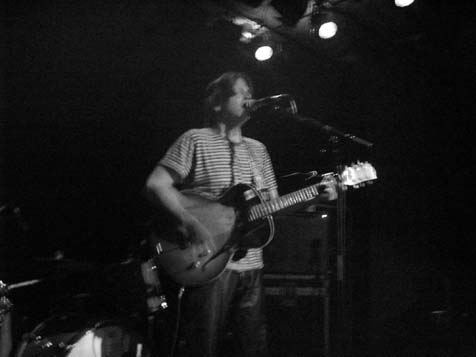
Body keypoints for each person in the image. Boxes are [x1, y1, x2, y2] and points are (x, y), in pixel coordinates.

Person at [144, 71, 335, 356]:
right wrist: (190, 222)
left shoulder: (258, 150)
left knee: (253, 348)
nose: (249, 97)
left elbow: (272, 205)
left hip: (251, 266)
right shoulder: (195, 139)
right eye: (241, 92)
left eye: (250, 92)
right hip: (208, 263)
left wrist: (314, 194)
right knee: (202, 348)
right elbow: (156, 184)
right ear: (218, 103)